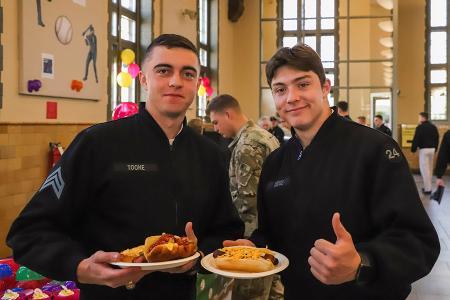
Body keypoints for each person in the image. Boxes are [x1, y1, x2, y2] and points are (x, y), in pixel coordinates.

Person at [6, 34, 244, 299]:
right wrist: (81, 266)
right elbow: (29, 233)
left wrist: (197, 255)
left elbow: (226, 230)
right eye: (163, 70)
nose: (176, 81)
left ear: (196, 84)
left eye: (188, 74)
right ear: (143, 79)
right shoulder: (97, 144)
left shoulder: (210, 155)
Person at [224, 43, 440, 299]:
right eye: (280, 89)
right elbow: (270, 236)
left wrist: (362, 262)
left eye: (303, 84)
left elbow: (418, 241)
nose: (291, 97)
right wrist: (255, 248)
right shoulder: (276, 163)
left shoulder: (374, 149)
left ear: (325, 88)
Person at [206, 94, 282, 300]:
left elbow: (247, 203)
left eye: (216, 122)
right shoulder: (265, 135)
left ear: (228, 114)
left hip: (253, 240)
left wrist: (244, 242)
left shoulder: (246, 146)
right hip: (272, 235)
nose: (215, 129)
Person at [411, 112, 440, 194]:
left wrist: (413, 149)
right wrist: (436, 148)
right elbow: (437, 138)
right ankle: (428, 187)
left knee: (424, 170)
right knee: (430, 169)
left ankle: (428, 189)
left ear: (423, 118)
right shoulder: (433, 127)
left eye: (419, 117)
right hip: (432, 150)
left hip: (424, 150)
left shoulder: (420, 127)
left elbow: (416, 139)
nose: (418, 119)